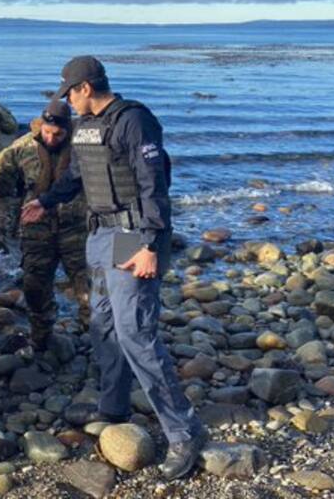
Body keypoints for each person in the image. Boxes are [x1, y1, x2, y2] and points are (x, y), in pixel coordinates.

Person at [21, 56, 205, 480]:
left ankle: (183, 430)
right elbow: (79, 179)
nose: (67, 99)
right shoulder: (85, 128)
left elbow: (154, 187)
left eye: (70, 91)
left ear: (86, 87)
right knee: (102, 323)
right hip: (99, 235)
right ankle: (112, 404)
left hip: (132, 234)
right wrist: (44, 201)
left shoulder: (134, 121)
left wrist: (151, 245)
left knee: (135, 334)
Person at [0, 99, 90, 348]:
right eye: (47, 132)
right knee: (35, 287)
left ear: (68, 130)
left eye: (58, 134)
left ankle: (97, 334)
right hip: (36, 230)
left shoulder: (84, 148)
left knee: (89, 287)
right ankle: (41, 338)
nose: (51, 138)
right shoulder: (23, 147)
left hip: (77, 228)